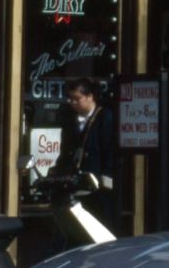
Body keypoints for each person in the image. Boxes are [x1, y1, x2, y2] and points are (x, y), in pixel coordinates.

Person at [55, 77, 116, 233]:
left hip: (97, 188)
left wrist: (105, 180)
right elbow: (65, 150)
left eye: (77, 98)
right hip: (75, 185)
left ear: (90, 97)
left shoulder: (105, 117)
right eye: (70, 99)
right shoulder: (69, 119)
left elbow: (109, 151)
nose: (72, 102)